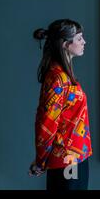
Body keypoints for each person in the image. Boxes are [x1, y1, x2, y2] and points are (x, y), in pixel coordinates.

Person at [28, 19, 92, 190]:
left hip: (77, 156)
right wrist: (41, 160)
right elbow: (46, 123)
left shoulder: (65, 75)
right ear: (65, 44)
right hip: (67, 159)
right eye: (79, 38)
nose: (84, 42)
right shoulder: (57, 79)